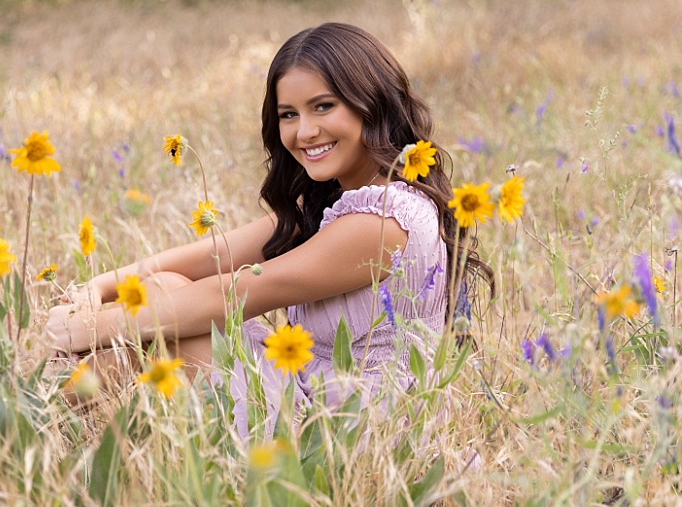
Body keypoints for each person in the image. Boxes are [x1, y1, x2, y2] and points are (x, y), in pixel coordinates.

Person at [46, 22, 493, 437]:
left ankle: (36, 415)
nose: (305, 131)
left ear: (371, 103)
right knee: (162, 289)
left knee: (180, 333)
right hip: (312, 393)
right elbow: (211, 256)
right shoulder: (337, 202)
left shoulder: (384, 221)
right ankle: (43, 415)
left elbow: (234, 294)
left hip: (350, 434)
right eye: (288, 114)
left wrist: (84, 330)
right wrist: (99, 287)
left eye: (323, 107)